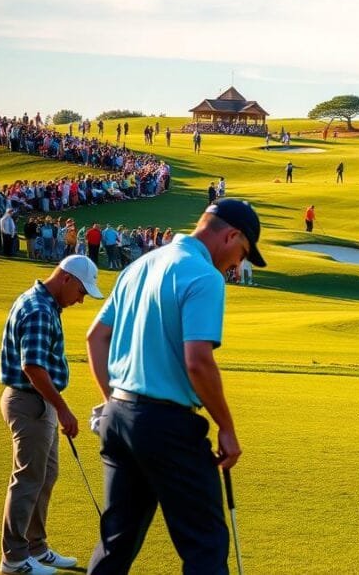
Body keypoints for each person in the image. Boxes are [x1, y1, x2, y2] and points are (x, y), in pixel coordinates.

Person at [84, 199, 267, 574]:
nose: (237, 265)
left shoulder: (140, 265)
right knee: (205, 545)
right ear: (231, 235)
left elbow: (96, 337)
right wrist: (227, 429)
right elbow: (198, 361)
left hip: (117, 417)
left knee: (116, 542)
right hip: (166, 426)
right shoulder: (203, 275)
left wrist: (115, 403)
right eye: (242, 254)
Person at [0, 255, 104, 575]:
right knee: (28, 479)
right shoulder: (40, 310)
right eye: (82, 291)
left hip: (38, 401)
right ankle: (14, 559)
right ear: (66, 279)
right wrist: (61, 407)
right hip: (30, 402)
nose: (82, 299)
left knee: (45, 475)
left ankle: (36, 547)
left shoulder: (44, 304)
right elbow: (32, 367)